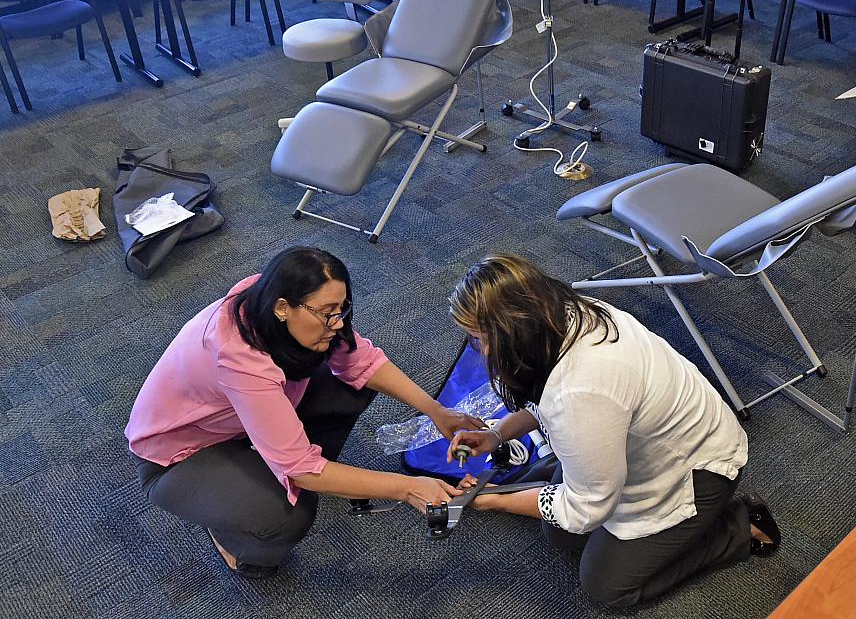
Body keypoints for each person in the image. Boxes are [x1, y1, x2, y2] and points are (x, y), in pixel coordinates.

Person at [445, 254, 781, 608]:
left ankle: (740, 527)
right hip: (649, 441)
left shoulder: (580, 390)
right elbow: (545, 400)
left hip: (697, 469)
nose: (478, 351)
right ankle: (540, 487)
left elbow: (585, 509)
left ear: (514, 330)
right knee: (561, 536)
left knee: (606, 585)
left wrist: (497, 500)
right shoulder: (565, 314)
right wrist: (497, 435)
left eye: (478, 340)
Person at [125, 246, 479, 579]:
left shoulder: (269, 296)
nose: (338, 323)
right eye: (327, 314)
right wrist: (406, 489)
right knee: (290, 512)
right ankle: (231, 537)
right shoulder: (238, 359)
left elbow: (361, 361)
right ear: (283, 308)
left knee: (348, 387)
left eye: (341, 310)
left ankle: (275, 466)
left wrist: (436, 411)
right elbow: (300, 470)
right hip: (176, 457)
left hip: (233, 422)